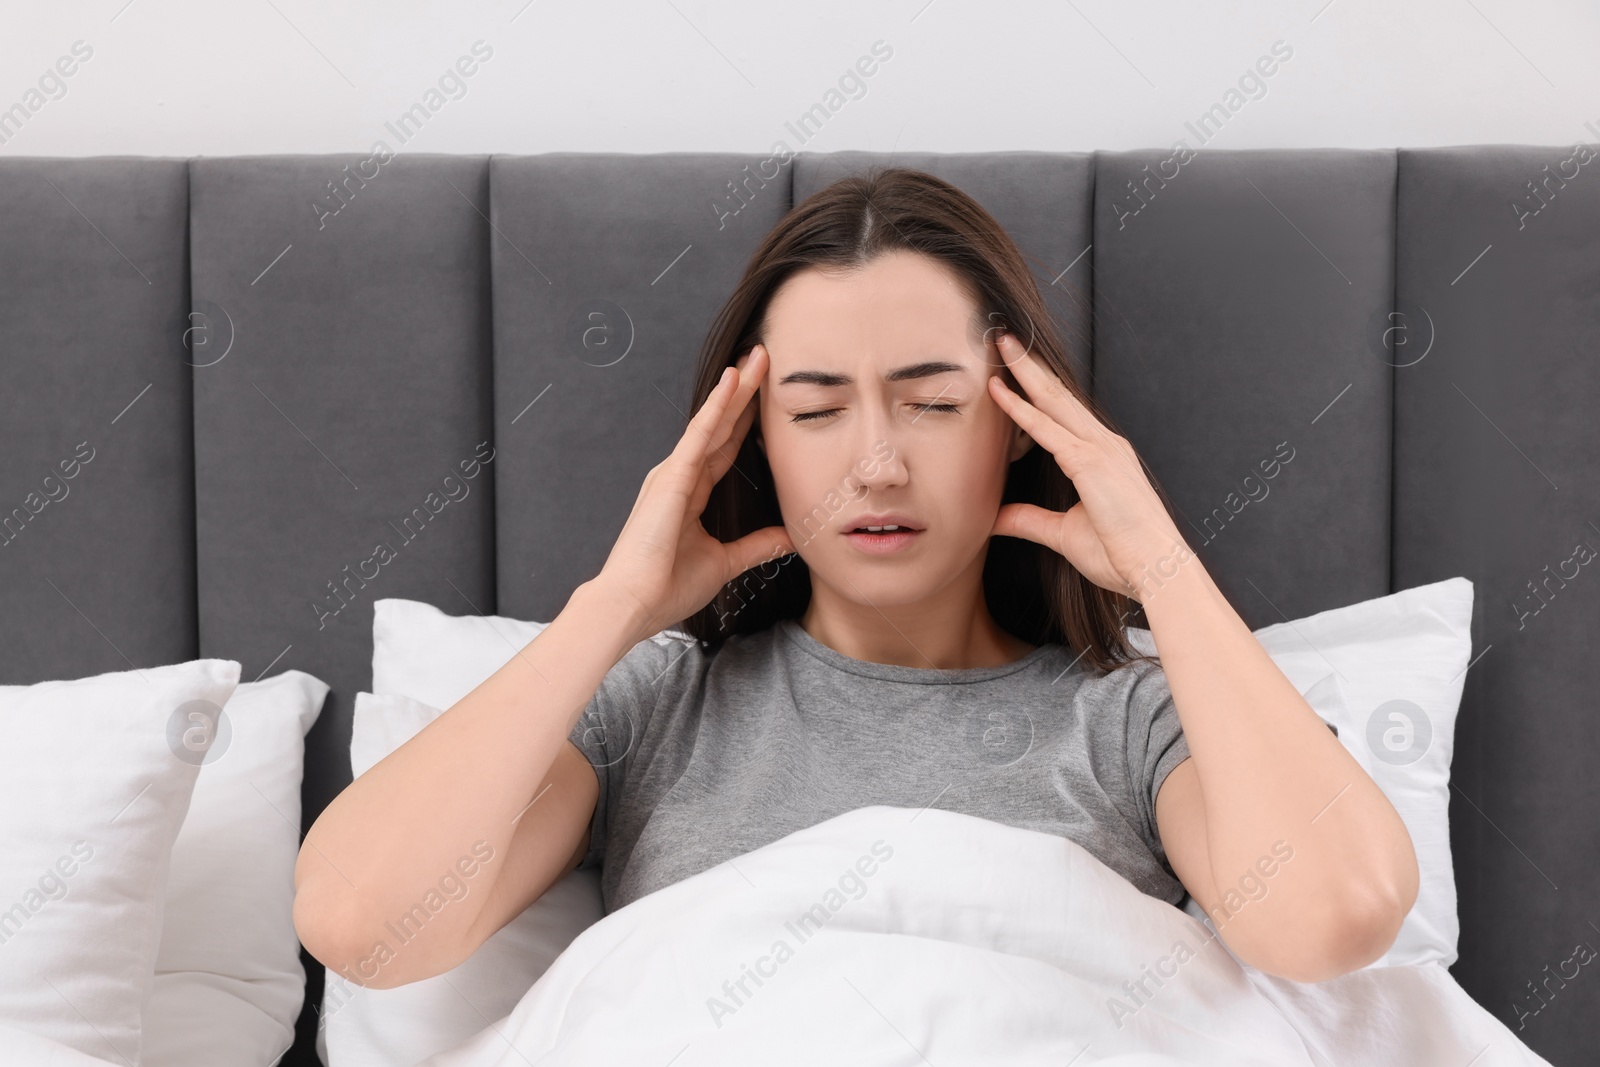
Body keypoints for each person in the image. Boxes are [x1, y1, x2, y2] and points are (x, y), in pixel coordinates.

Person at [293, 167, 1418, 992]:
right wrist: (612, 609)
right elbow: (360, 922)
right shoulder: (657, 705)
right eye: (817, 409)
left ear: (1021, 428)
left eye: (932, 402)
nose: (877, 462)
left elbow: (1335, 917)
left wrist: (1164, 570)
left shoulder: (1133, 719)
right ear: (752, 445)